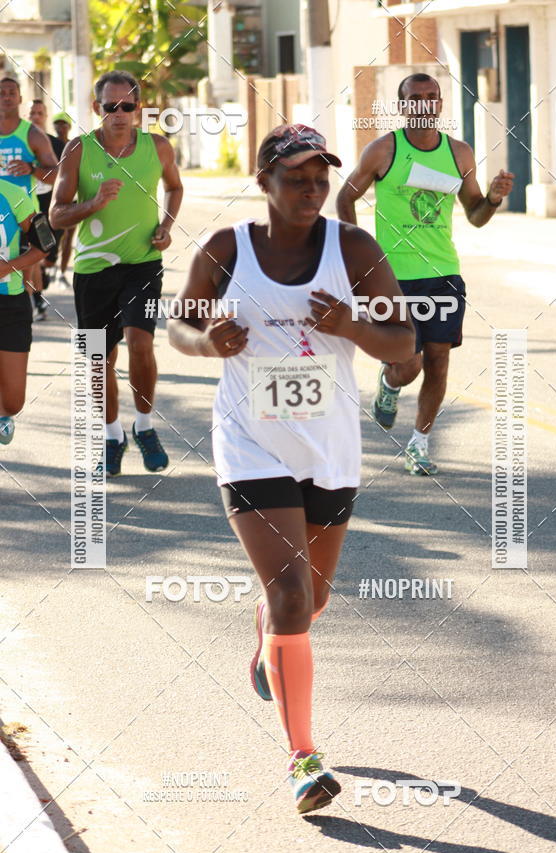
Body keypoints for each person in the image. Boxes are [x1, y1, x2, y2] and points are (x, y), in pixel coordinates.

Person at [167, 124, 415, 813]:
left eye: (320, 177)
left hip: (327, 447)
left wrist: (356, 330)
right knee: (292, 597)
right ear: (264, 183)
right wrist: (205, 340)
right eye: (295, 177)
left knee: (313, 597)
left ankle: (267, 643)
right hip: (250, 442)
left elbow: (405, 344)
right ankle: (303, 759)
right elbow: (180, 324)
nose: (311, 189)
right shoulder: (226, 249)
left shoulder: (354, 248)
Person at [337, 73, 514, 475]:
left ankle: (419, 444)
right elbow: (345, 196)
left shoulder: (460, 154)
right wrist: (358, 254)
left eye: (432, 97)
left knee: (438, 362)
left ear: (439, 104)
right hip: (392, 278)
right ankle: (389, 383)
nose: (424, 103)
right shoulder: (384, 150)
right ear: (402, 106)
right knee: (408, 365)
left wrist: (493, 198)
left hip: (443, 275)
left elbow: (475, 215)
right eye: (415, 97)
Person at [50, 70, 183, 476]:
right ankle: (112, 435)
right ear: (97, 109)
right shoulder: (78, 150)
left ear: (138, 108)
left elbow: (175, 188)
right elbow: (56, 215)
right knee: (98, 360)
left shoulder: (157, 147)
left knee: (141, 343)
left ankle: (144, 427)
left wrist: (166, 226)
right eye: (112, 107)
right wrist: (94, 203)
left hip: (142, 264)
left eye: (128, 106)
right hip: (92, 271)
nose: (121, 114)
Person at [0, 77, 59, 323]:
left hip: (25, 209)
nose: (6, 96)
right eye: (1, 92)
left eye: (12, 92)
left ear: (20, 98)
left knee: (34, 257)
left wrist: (31, 168)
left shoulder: (32, 134)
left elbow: (56, 174)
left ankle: (31, 306)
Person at [0, 179, 51, 445]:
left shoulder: (13, 194)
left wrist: (9, 267)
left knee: (13, 402)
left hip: (10, 305)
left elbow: (45, 244)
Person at [28, 99, 66, 318]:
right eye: (32, 112)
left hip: (51, 209)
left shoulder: (58, 145)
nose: (35, 116)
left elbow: (65, 177)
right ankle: (37, 302)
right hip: (27, 209)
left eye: (40, 112)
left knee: (45, 258)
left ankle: (41, 283)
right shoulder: (21, 141)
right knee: (31, 256)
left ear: (45, 116)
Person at [52, 112, 74, 289]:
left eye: (63, 124)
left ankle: (61, 272)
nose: (60, 127)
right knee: (56, 236)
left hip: (74, 198)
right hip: (55, 198)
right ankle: (52, 265)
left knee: (68, 237)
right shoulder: (50, 146)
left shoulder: (75, 146)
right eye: (57, 124)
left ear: (69, 126)